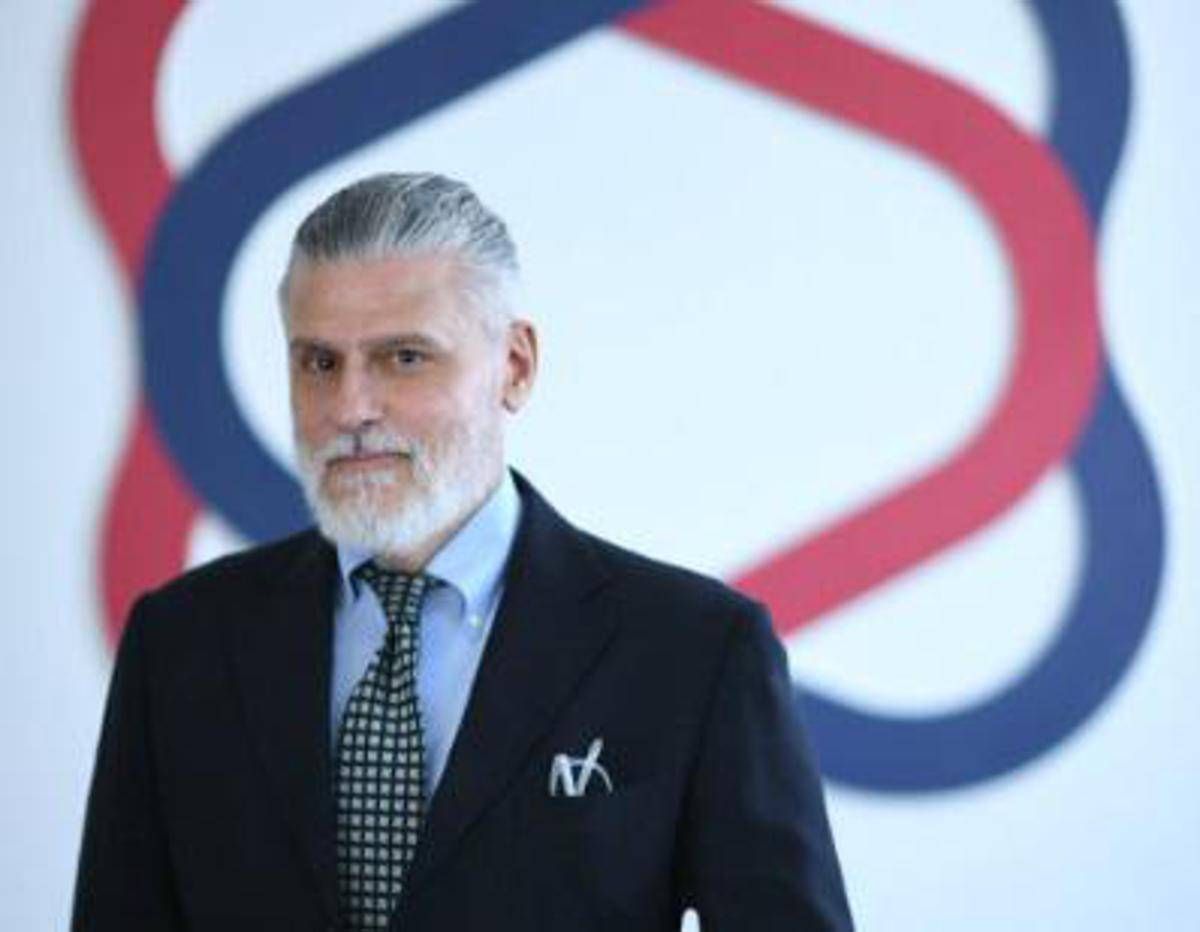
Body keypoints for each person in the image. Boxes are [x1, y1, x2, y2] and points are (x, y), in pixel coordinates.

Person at [72, 173, 853, 931]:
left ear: (515, 365)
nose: (351, 407)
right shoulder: (182, 642)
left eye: (404, 358)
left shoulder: (693, 651)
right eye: (320, 363)